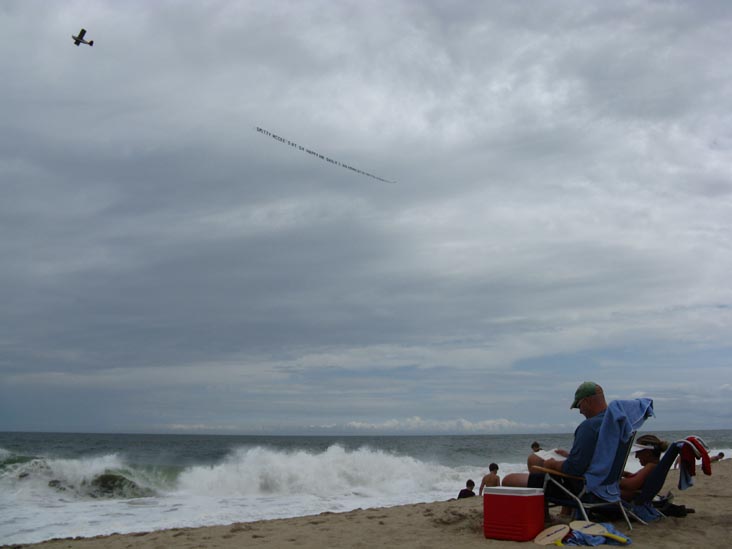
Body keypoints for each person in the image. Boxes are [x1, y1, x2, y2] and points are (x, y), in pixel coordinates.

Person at [503, 381, 608, 496]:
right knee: (535, 459)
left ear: (587, 401)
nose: (580, 411)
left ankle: (541, 510)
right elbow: (600, 460)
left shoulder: (590, 427)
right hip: (607, 486)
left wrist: (552, 464)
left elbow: (573, 469)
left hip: (583, 489)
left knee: (509, 480)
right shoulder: (616, 425)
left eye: (579, 406)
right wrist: (571, 457)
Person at [619, 434, 669, 501]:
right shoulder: (655, 467)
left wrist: (611, 481)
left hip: (624, 500)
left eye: (638, 452)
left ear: (648, 453)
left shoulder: (651, 466)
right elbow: (639, 479)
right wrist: (625, 474)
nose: (636, 456)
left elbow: (631, 484)